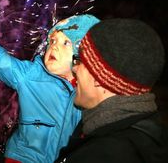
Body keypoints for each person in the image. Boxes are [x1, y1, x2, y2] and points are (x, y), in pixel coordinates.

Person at [0, 3, 100, 163]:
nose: (54, 47)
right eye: (52, 41)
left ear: (83, 54)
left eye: (65, 43)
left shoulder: (92, 90)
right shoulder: (32, 75)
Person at [55, 18, 168, 163]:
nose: (74, 68)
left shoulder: (104, 154)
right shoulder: (147, 131)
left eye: (81, 61)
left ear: (99, 78)